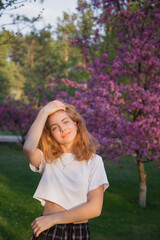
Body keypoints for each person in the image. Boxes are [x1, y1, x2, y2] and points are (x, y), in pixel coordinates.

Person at [23, 100, 109, 240]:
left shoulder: (94, 161)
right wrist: (44, 112)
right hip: (49, 230)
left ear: (76, 124)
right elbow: (28, 148)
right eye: (54, 127)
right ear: (51, 134)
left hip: (78, 231)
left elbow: (95, 208)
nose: (62, 129)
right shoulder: (48, 158)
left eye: (65, 122)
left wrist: (54, 219)